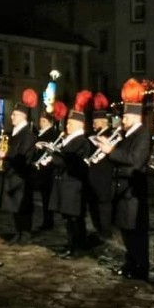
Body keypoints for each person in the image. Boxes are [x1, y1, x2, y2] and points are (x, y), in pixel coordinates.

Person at [97, 79, 150, 280]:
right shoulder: (127, 134)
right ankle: (131, 264)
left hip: (133, 192)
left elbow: (134, 160)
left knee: (136, 234)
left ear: (135, 116)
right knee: (127, 232)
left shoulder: (142, 134)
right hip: (123, 190)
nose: (122, 120)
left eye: (125, 116)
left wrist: (111, 151)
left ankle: (140, 267)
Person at [0, 89, 38, 245]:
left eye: (14, 114)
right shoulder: (14, 132)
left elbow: (23, 154)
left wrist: (6, 154)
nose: (11, 116)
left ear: (23, 117)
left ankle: (25, 233)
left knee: (22, 206)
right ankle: (18, 232)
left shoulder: (27, 133)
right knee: (14, 207)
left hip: (21, 176)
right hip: (13, 174)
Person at [52, 100, 92, 258]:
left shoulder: (81, 141)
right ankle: (71, 244)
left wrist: (55, 157)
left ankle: (75, 247)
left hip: (74, 186)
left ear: (78, 125)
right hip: (67, 183)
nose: (66, 126)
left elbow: (73, 162)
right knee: (69, 218)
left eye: (70, 123)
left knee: (74, 219)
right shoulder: (70, 139)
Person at [85, 93, 114, 242]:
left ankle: (106, 230)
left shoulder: (112, 135)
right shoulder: (90, 136)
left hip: (105, 175)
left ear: (102, 121)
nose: (94, 124)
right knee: (93, 204)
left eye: (96, 122)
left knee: (104, 204)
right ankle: (98, 229)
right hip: (92, 175)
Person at [32, 110, 61, 231]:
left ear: (50, 122)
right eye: (40, 120)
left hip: (47, 170)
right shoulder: (39, 133)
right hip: (40, 169)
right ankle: (47, 220)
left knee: (47, 197)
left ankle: (48, 221)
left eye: (44, 121)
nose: (41, 123)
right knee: (44, 197)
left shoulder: (52, 134)